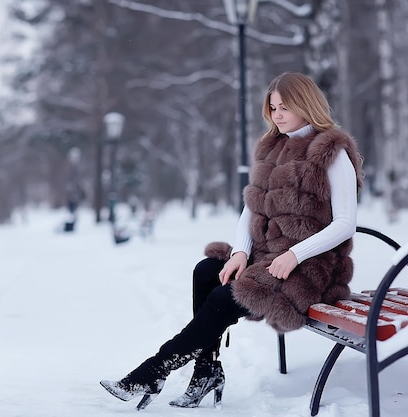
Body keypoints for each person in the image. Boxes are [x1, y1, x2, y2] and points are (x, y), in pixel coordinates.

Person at [100, 72, 364, 410]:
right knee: (208, 270)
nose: (277, 115)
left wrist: (295, 255)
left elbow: (344, 224)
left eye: (285, 107)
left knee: (226, 297)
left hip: (310, 269)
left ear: (306, 104)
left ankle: (154, 370)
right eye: (273, 107)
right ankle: (206, 369)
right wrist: (241, 252)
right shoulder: (274, 146)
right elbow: (251, 208)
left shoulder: (331, 151)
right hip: (270, 257)